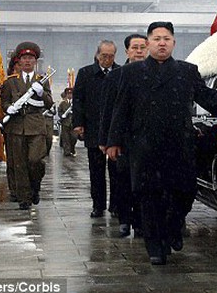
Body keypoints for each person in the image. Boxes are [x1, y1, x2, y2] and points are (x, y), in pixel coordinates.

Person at [106, 21, 217, 265]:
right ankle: (155, 248)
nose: (162, 43)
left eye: (167, 39)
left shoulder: (186, 71)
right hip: (144, 145)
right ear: (149, 42)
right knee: (149, 198)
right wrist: (113, 141)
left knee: (184, 193)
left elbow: (209, 98)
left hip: (179, 145)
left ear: (173, 43)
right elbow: (121, 108)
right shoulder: (131, 74)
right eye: (157, 39)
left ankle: (173, 229)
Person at [100, 33, 149, 238]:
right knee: (121, 180)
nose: (139, 51)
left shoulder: (153, 73)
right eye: (134, 48)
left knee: (143, 183)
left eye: (142, 47)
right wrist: (107, 140)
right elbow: (107, 109)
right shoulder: (115, 76)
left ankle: (139, 222)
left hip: (145, 139)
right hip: (122, 138)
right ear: (127, 51)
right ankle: (124, 220)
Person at [0, 42, 54, 210]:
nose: (27, 61)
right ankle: (25, 198)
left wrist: (41, 93)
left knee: (35, 161)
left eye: (31, 58)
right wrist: (8, 108)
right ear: (19, 61)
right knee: (19, 164)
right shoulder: (10, 82)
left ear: (35, 61)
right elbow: (4, 101)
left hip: (36, 126)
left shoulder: (41, 81)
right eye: (24, 58)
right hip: (16, 127)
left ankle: (35, 187)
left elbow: (49, 103)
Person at [73, 40, 120, 218]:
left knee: (116, 170)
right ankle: (98, 205)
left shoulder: (120, 72)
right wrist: (78, 123)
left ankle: (115, 205)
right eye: (104, 56)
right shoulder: (86, 73)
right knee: (96, 170)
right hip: (93, 127)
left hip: (114, 129)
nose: (107, 60)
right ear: (97, 55)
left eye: (111, 56)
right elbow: (78, 100)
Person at [4, 56, 20, 202]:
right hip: (11, 127)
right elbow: (2, 102)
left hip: (27, 126)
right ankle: (14, 189)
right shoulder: (8, 83)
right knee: (13, 160)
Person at [58, 87, 77, 156]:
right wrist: (61, 116)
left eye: (71, 94)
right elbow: (59, 111)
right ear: (66, 94)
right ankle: (67, 152)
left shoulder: (75, 103)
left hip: (73, 123)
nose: (69, 95)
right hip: (65, 123)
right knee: (66, 138)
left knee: (74, 138)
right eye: (68, 94)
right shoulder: (62, 103)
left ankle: (72, 148)